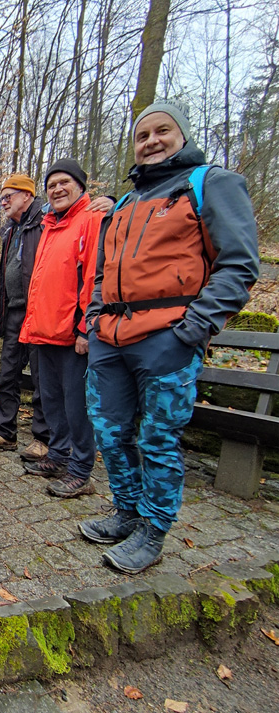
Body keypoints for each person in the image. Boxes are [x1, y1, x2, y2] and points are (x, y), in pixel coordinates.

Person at [82, 99, 259, 574]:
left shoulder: (210, 184)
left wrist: (194, 328)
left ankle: (153, 530)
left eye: (162, 131)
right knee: (111, 432)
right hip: (110, 338)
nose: (152, 141)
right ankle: (126, 511)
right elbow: (101, 273)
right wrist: (94, 319)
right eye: (142, 136)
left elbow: (239, 264)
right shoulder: (123, 204)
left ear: (182, 135)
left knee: (157, 438)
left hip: (167, 337)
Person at [19, 159, 102, 498]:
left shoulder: (90, 220)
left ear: (81, 186)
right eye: (51, 184)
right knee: (51, 400)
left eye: (64, 182)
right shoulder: (50, 226)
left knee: (76, 405)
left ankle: (81, 471)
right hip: (44, 330)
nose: (57, 189)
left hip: (72, 334)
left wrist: (86, 328)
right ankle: (56, 456)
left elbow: (96, 275)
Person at [0, 175, 49, 460]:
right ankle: (6, 432)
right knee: (8, 374)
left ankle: (43, 438)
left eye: (9, 195)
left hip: (38, 311)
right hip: (14, 312)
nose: (3, 201)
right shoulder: (10, 230)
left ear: (27, 196)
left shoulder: (43, 222)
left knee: (42, 377)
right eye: (1, 197)